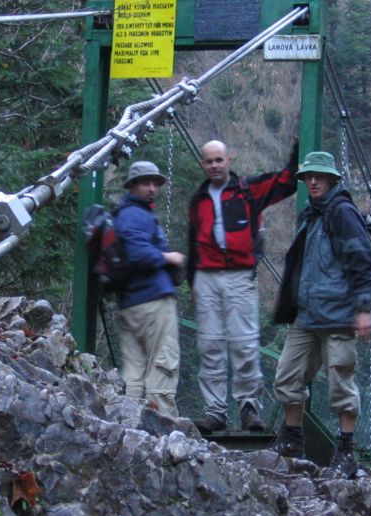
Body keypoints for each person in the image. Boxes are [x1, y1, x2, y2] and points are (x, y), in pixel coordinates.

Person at [271, 151, 371, 478]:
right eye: (308, 177)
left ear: (332, 178)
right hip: (307, 316)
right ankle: (292, 441)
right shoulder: (312, 214)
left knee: (341, 385)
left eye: (319, 176)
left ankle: (346, 453)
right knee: (287, 377)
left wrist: (363, 309)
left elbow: (362, 262)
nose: (313, 181)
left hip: (337, 316)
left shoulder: (342, 212)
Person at [187, 139, 299, 433]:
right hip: (207, 277)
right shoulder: (198, 200)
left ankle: (249, 407)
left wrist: (298, 146)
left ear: (229, 159)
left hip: (238, 276)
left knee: (244, 343)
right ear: (203, 164)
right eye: (209, 161)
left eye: (219, 160)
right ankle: (214, 412)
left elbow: (287, 182)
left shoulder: (248, 190)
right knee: (209, 345)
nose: (214, 165)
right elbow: (192, 241)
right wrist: (192, 282)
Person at [114, 160, 186, 418]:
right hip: (153, 302)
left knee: (133, 372)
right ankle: (165, 433)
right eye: (146, 182)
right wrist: (170, 258)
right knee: (163, 366)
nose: (152, 188)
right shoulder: (135, 215)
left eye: (155, 183)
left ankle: (130, 429)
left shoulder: (124, 214)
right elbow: (138, 253)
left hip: (129, 303)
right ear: (132, 185)